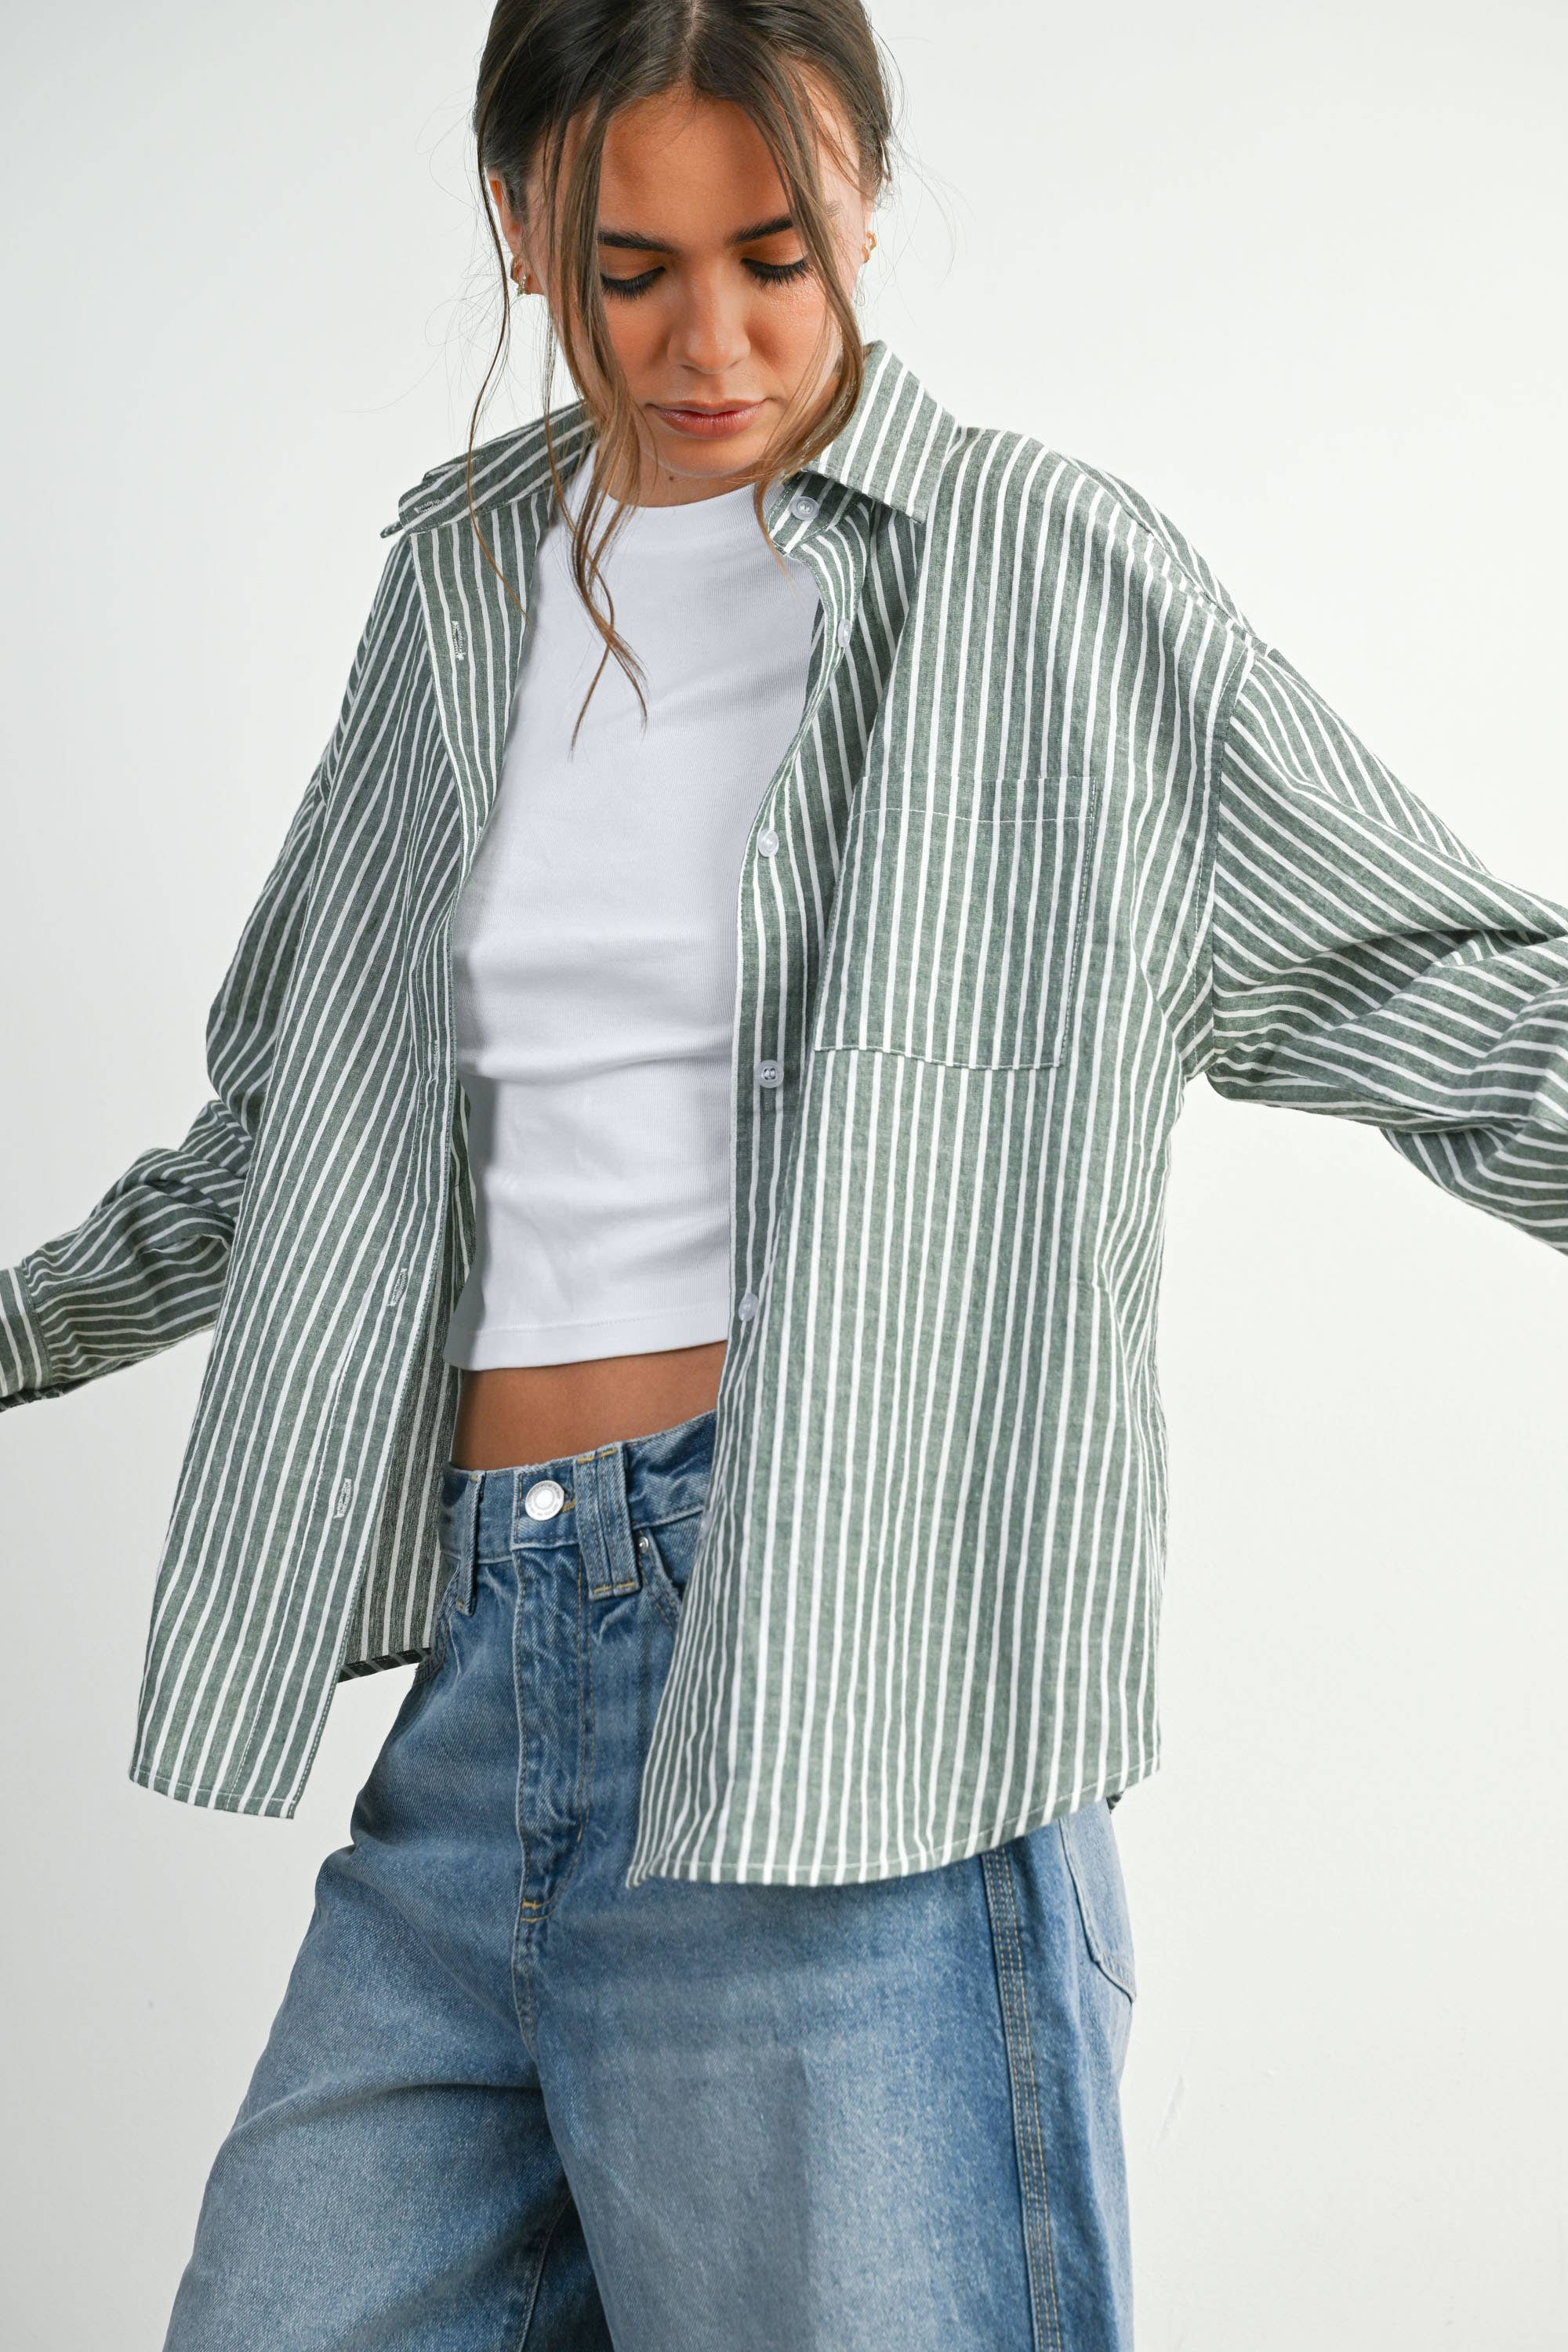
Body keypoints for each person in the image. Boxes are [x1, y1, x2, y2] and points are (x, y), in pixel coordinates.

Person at [4, 2, 1566, 2347]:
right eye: (629, 270)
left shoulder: (1041, 578)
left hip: (845, 1698)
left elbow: (1450, 991)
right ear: (520, 224)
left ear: (864, 207)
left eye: (778, 255)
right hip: (487, 1683)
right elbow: (296, 1130)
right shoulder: (458, 592)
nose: (711, 344)